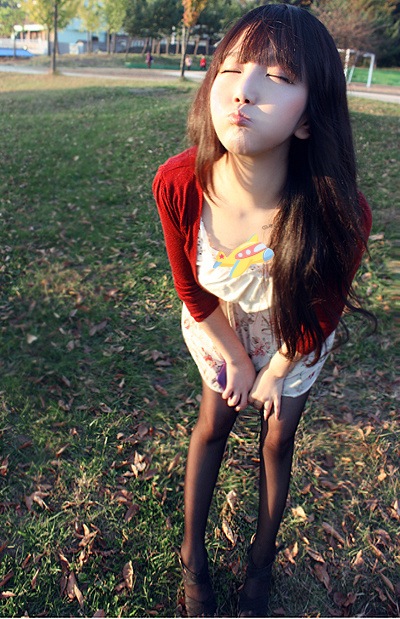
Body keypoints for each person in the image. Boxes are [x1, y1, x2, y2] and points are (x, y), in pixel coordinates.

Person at [153, 4, 373, 617]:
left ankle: (262, 561)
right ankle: (193, 559)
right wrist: (235, 357)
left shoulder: (339, 211)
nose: (243, 90)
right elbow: (191, 288)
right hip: (220, 324)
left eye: (277, 77)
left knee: (279, 438)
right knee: (213, 426)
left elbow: (323, 310)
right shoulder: (179, 183)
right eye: (230, 68)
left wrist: (275, 369)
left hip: (294, 333)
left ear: (308, 118)